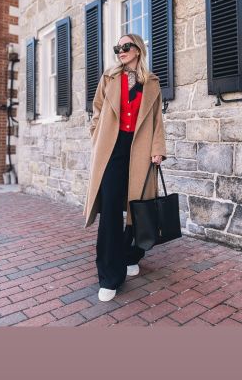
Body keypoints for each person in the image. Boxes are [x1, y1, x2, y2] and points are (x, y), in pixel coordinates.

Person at [83, 33, 167, 302]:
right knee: (109, 209)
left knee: (137, 206)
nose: (120, 50)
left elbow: (156, 120)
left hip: (140, 149)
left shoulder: (151, 82)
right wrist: (97, 134)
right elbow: (96, 110)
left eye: (125, 46)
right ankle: (109, 274)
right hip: (111, 149)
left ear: (138, 49)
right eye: (117, 47)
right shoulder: (108, 77)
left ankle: (132, 254)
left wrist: (157, 150)